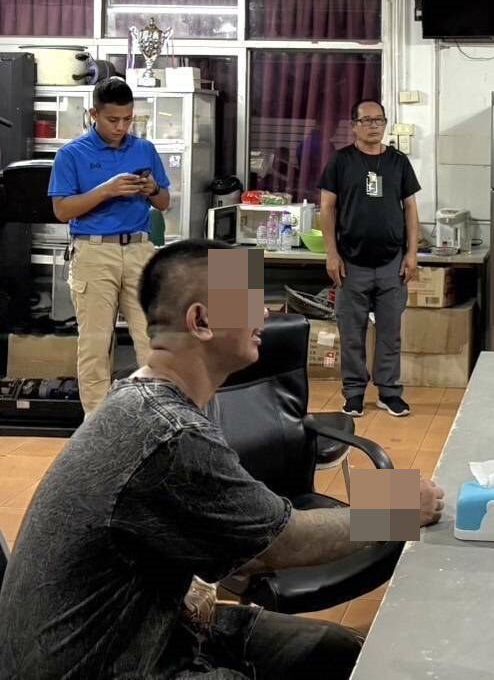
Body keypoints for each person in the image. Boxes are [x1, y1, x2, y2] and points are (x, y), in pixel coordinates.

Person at [0, 240, 447, 679]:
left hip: (152, 629)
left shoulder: (142, 398)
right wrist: (401, 507)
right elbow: (282, 541)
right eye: (250, 301)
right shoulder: (170, 434)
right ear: (201, 321)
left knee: (337, 650)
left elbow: (242, 543)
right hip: (110, 663)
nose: (265, 313)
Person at [48, 77, 171, 414]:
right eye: (113, 119)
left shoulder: (144, 149)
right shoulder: (71, 154)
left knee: (152, 338)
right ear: (94, 114)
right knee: (95, 344)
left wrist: (151, 189)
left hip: (139, 249)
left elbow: (164, 202)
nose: (121, 127)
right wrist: (107, 190)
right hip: (93, 251)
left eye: (127, 119)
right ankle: (97, 426)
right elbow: (62, 210)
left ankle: (157, 418)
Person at [319, 99, 421, 418]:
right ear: (354, 126)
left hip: (392, 263)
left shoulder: (398, 162)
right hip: (351, 263)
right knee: (352, 334)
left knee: (390, 333)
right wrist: (331, 254)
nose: (374, 126)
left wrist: (412, 253)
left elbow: (411, 208)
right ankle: (354, 393)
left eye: (379, 120)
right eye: (366, 120)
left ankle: (389, 392)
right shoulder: (341, 162)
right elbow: (327, 209)